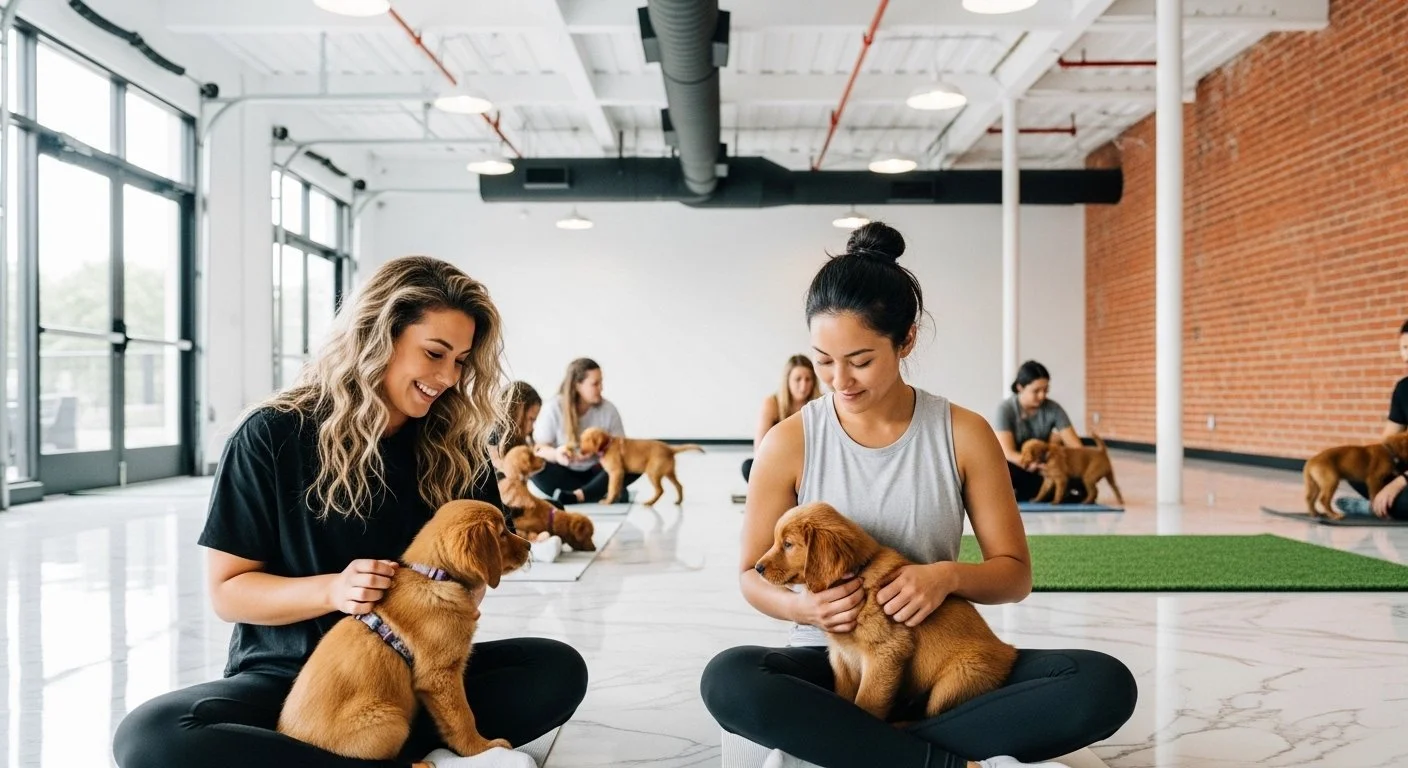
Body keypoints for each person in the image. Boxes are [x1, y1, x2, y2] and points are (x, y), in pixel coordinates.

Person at [112, 256, 588, 768]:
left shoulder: (458, 447)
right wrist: (333, 590)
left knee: (557, 669)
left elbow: (476, 578)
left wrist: (450, 609)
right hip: (292, 683)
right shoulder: (271, 435)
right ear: (377, 337)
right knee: (152, 736)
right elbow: (229, 592)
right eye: (434, 353)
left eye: (462, 361)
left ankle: (357, 756)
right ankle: (410, 756)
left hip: (414, 678)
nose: (448, 377)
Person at [700, 222, 1136, 768]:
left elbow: (1015, 574)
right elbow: (750, 575)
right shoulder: (789, 441)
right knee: (729, 680)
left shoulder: (964, 433)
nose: (840, 381)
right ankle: (938, 758)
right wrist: (804, 608)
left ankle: (860, 746)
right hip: (832, 658)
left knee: (1100, 684)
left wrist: (945, 576)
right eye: (823, 361)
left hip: (938, 661)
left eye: (860, 360)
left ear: (906, 340)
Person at [530, 358, 638, 504]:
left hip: (598, 472)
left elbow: (622, 449)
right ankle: (604, 491)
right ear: (577, 385)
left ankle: (579, 496)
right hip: (564, 472)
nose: (601, 388)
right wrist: (557, 454)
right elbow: (539, 449)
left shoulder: (609, 410)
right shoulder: (553, 408)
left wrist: (595, 453)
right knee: (533, 466)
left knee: (636, 458)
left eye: (601, 382)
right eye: (595, 384)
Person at [1335, 319, 1408, 520]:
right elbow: (1387, 443)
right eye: (1404, 348)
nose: (1407, 356)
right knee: (1353, 469)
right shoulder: (1403, 389)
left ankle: (1375, 507)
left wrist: (1399, 482)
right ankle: (1384, 504)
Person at [992, 361, 1087, 502]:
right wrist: (1031, 465)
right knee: (1003, 471)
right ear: (1020, 387)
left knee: (1081, 480)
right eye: (1036, 391)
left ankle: (1039, 491)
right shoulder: (1005, 409)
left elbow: (1077, 448)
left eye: (1045, 390)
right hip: (1018, 464)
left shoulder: (1054, 409)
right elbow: (1008, 452)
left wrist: (1058, 463)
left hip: (1044, 465)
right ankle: (1041, 491)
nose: (1042, 396)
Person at [742, 354, 823, 482]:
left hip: (807, 466)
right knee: (749, 466)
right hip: (778, 465)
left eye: (808, 379)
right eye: (798, 379)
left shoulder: (820, 404)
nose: (803, 386)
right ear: (787, 381)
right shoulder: (772, 403)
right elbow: (759, 449)